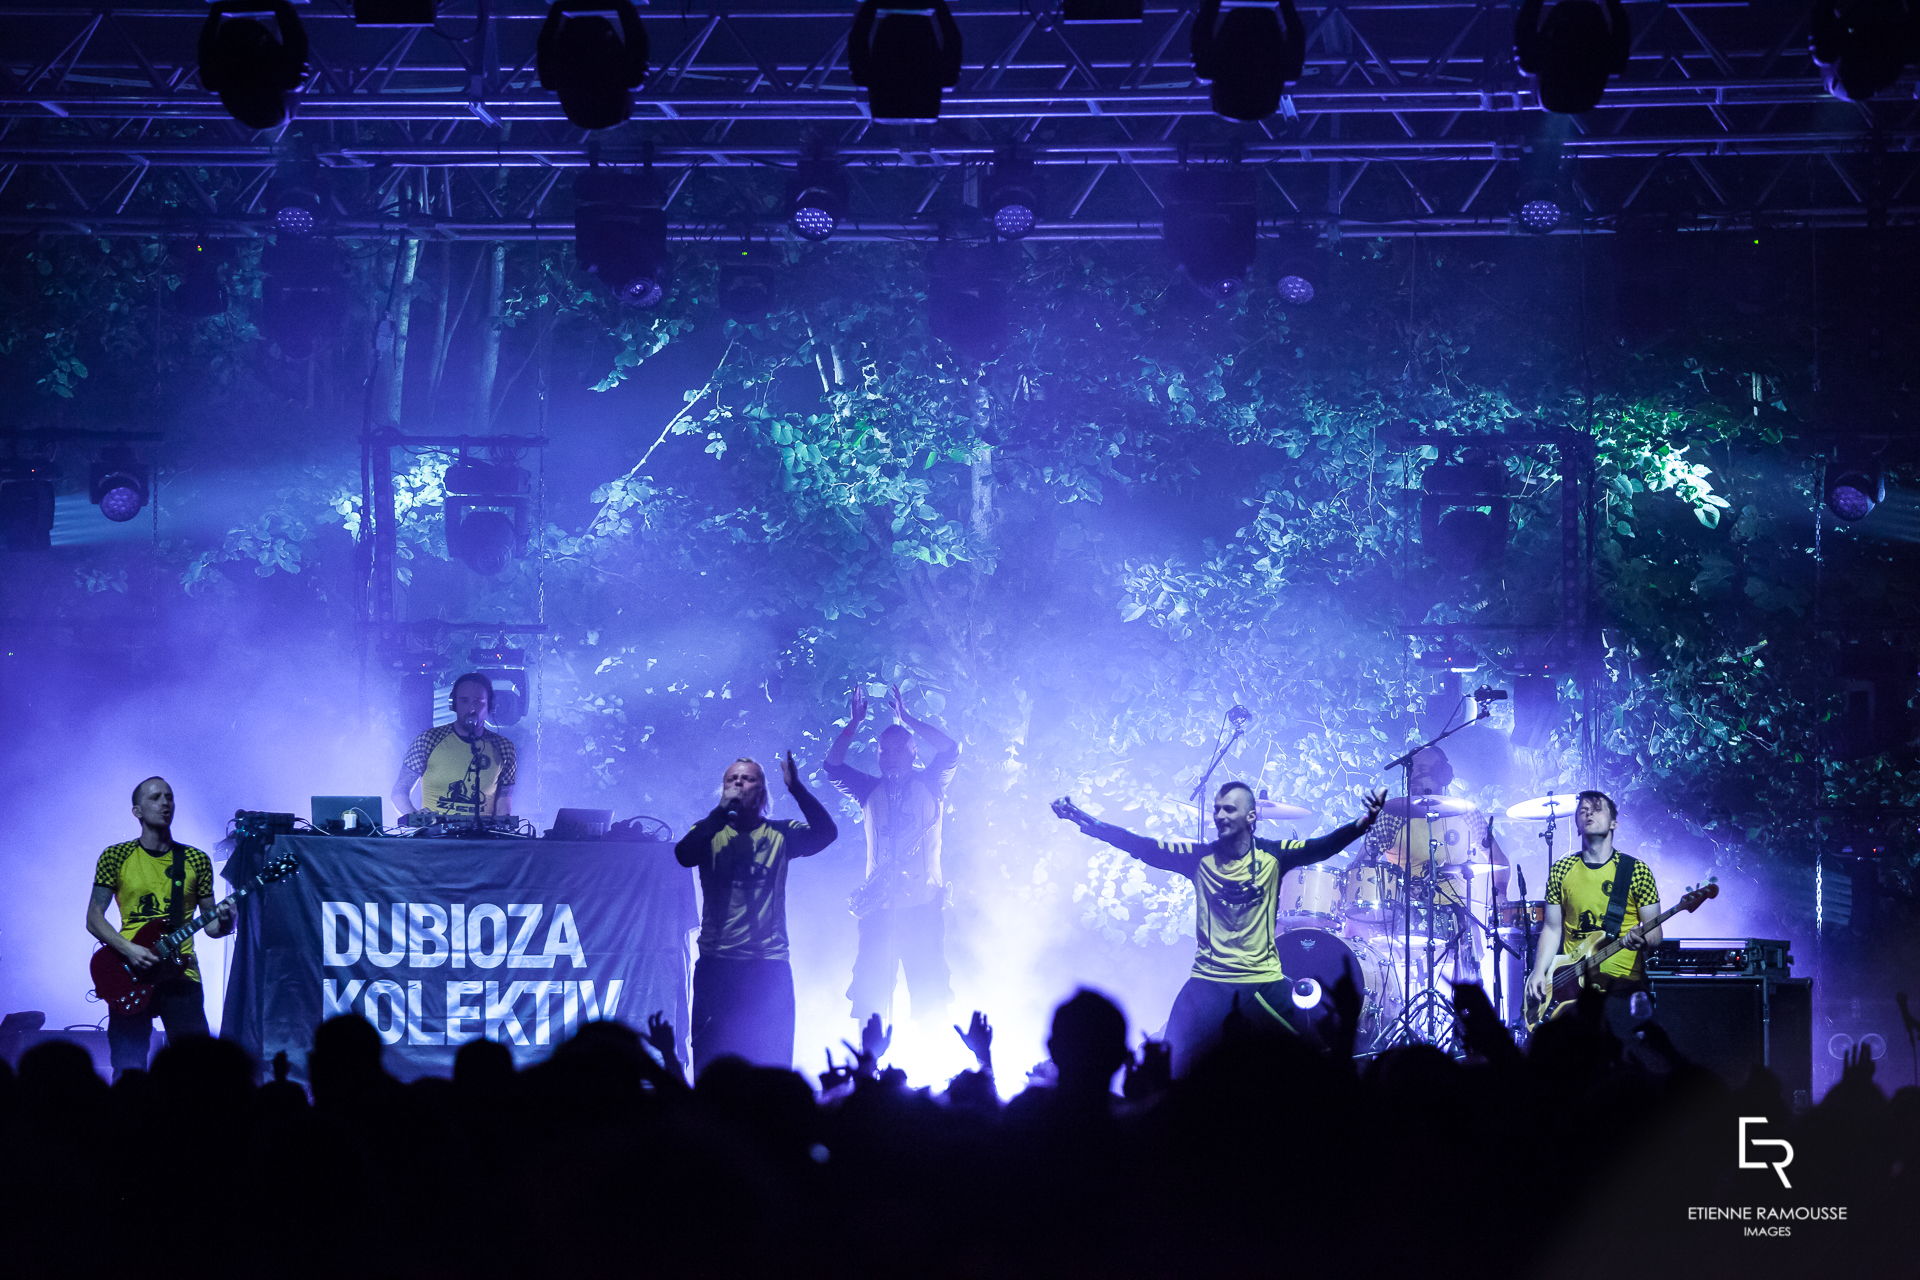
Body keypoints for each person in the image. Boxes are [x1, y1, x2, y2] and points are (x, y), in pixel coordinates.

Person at [1053, 781, 1386, 1073]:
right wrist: (1087, 822)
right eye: (1220, 811)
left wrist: (1362, 823)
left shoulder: (1273, 855)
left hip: (1262, 981)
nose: (1224, 818)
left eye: (1233, 811)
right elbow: (1142, 846)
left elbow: (1321, 847)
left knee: (1314, 1050)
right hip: (1208, 984)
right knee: (1175, 1057)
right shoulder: (1198, 858)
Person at [674, 752, 837, 1073]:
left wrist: (798, 790)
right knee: (712, 1063)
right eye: (731, 779)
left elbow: (826, 834)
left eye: (747, 778)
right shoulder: (708, 831)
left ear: (762, 792)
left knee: (770, 1063)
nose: (739, 783)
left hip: (767, 968)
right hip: (717, 967)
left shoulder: (782, 833)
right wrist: (719, 813)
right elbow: (683, 854)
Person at [824, 683, 959, 1027]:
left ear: (914, 752)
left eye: (898, 750)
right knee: (870, 998)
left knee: (930, 996)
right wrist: (853, 724)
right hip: (878, 910)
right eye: (884, 751)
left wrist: (908, 718)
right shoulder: (869, 789)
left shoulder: (932, 782)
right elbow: (833, 765)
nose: (890, 757)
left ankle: (930, 1066)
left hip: (924, 908)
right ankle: (868, 1069)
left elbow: (950, 748)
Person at [86, 776, 233, 1078]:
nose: (165, 803)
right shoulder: (116, 856)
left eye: (169, 797)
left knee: (197, 1068)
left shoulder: (195, 859)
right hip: (129, 971)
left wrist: (228, 920)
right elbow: (94, 918)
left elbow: (212, 927)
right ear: (136, 811)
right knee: (129, 1066)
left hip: (182, 972)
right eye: (155, 798)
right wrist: (129, 949)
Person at [1524, 790, 1662, 1036]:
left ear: (1613, 823)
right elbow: (1553, 928)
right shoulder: (1561, 870)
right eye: (1582, 810)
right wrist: (1538, 972)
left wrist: (1641, 938)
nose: (1588, 813)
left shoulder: (1637, 871)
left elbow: (1655, 933)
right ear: (1576, 822)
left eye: (1597, 809)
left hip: (1621, 986)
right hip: (1571, 988)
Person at [390, 672, 518, 823]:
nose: (471, 708)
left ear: (490, 705)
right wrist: (417, 820)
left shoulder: (504, 747)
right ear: (454, 704)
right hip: (435, 839)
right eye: (464, 701)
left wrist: (501, 831)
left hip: (483, 840)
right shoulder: (428, 740)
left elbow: (504, 800)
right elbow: (399, 792)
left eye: (478, 701)